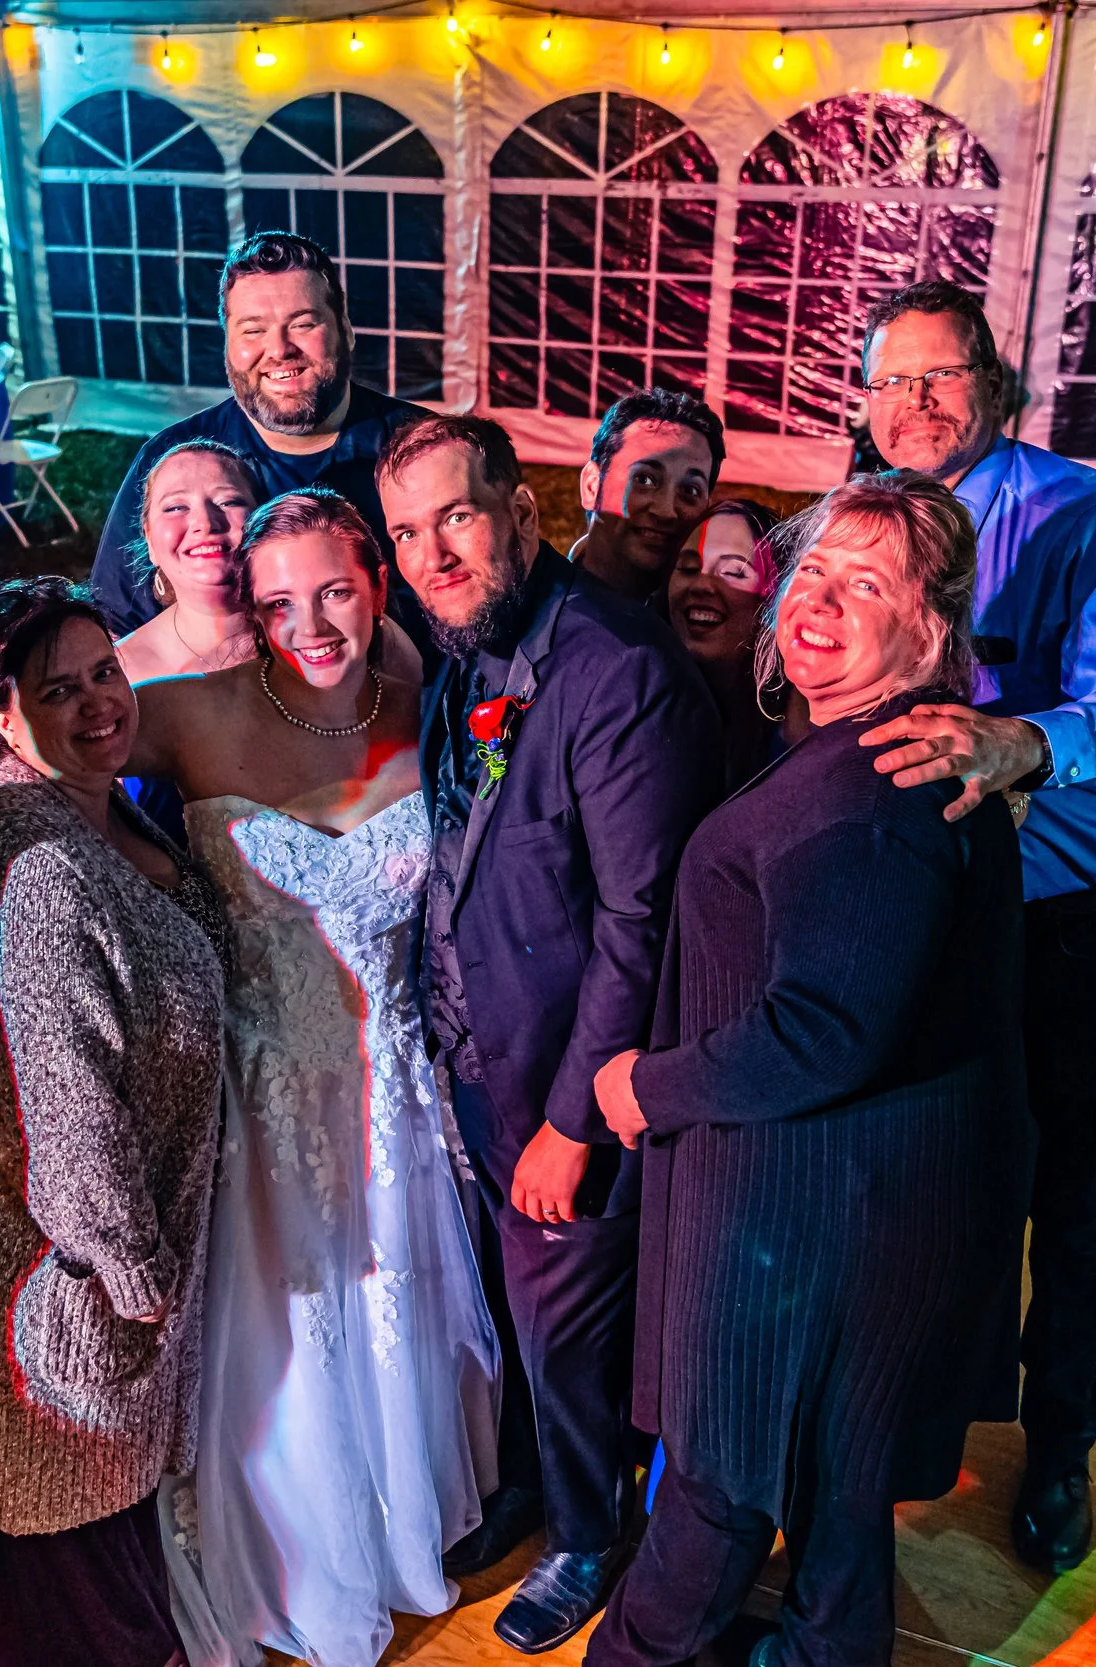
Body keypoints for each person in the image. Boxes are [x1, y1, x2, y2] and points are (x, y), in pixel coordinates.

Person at [584, 472, 1030, 1667]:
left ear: (929, 629)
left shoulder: (877, 793)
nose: (822, 602)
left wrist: (645, 1084)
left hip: (807, 1229)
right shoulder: (876, 749)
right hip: (847, 1210)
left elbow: (821, 1029)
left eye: (867, 582)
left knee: (711, 1511)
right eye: (817, 573)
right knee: (835, 1515)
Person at [851, 279, 1096, 1575]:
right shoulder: (860, 525)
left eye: (939, 378)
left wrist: (1025, 741)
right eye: (890, 381)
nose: (914, 405)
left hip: (1082, 924)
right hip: (943, 924)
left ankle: (1061, 1436)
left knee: (1078, 1192)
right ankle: (930, 1412)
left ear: (996, 387)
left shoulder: (1080, 516)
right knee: (943, 1180)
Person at [124, 489, 499, 1667]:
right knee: (285, 1333)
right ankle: (295, 1554)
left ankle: (398, 1530)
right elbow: (35, 735)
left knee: (395, 1307)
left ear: (377, 581)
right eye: (277, 600)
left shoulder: (435, 710)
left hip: (394, 1086)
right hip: (262, 1096)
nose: (310, 623)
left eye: (334, 588)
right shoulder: (181, 715)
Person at [380, 413, 722, 1654]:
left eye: (456, 518)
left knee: (569, 1331)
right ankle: (535, 1488)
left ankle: (592, 1534)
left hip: (561, 1088)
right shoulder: (464, 647)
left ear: (523, 513)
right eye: (408, 533)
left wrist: (574, 1122)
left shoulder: (613, 669)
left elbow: (642, 921)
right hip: (472, 1070)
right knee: (514, 1316)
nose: (433, 554)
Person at [0, 577, 228, 1667]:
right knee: (76, 1612)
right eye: (59, 688)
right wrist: (135, 1278)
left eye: (106, 671)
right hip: (60, 1312)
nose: (100, 701)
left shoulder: (102, 811)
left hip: (104, 1301)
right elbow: (62, 1119)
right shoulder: (40, 870)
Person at [89, 232, 426, 638]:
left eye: (303, 324)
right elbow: (116, 622)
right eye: (253, 331)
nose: (280, 349)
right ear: (228, 345)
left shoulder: (422, 449)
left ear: (346, 330)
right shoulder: (173, 463)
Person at [665, 496, 791, 792]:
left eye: (734, 572)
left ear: (775, 597)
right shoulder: (635, 695)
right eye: (687, 568)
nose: (702, 584)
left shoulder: (792, 724)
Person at [115, 440, 264, 683]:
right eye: (175, 507)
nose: (205, 522)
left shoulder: (314, 642)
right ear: (150, 541)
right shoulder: (118, 673)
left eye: (228, 502)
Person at [568, 388, 725, 607]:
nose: (666, 511)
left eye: (690, 491)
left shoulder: (697, 627)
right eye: (645, 480)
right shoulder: (530, 609)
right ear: (592, 486)